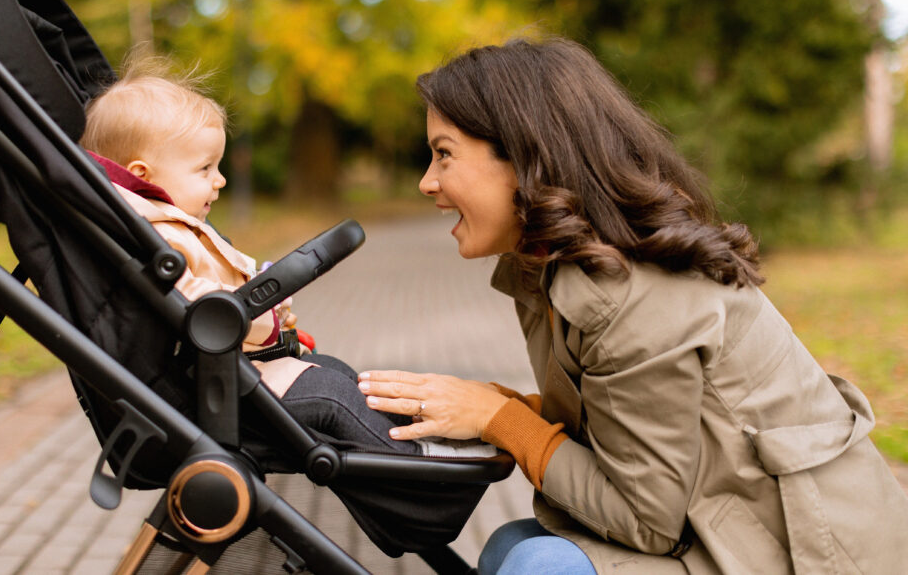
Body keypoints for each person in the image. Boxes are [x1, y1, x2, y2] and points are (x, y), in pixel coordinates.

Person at [357, 37, 908, 573]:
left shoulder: (633, 295)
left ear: (525, 157)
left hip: (807, 555)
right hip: (720, 526)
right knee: (509, 545)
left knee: (538, 565)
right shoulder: (548, 266)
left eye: (444, 155)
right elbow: (623, 422)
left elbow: (647, 521)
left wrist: (500, 420)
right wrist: (490, 408)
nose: (427, 182)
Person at [79, 55, 429, 455]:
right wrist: (267, 319)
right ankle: (416, 462)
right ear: (142, 175)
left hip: (234, 368)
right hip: (215, 387)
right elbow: (201, 308)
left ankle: (414, 439)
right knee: (331, 394)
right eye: (205, 168)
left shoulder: (167, 227)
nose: (221, 179)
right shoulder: (155, 238)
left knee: (338, 374)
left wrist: (266, 308)